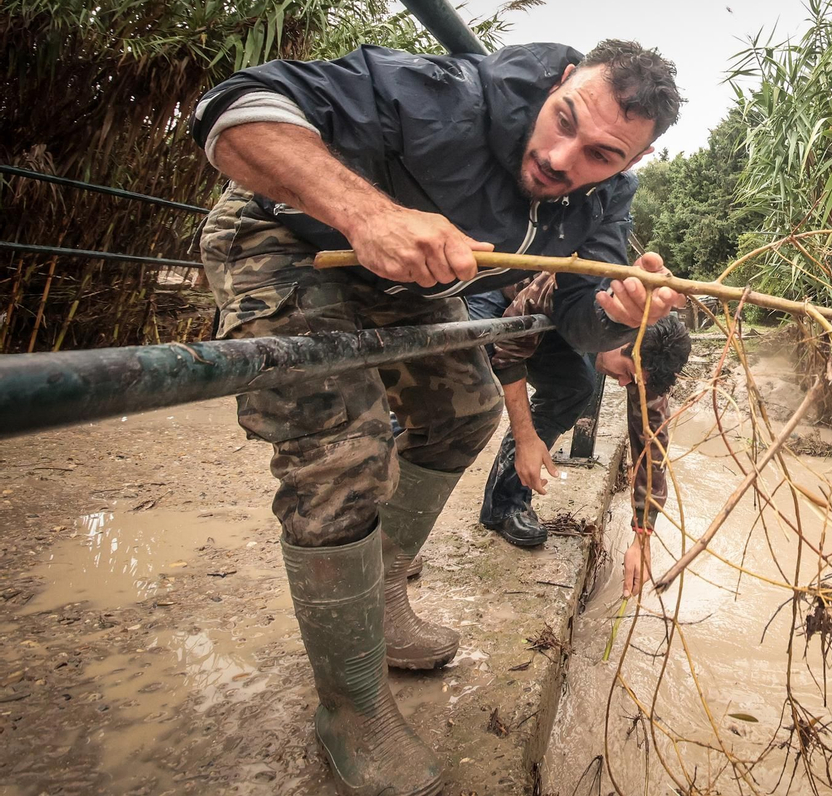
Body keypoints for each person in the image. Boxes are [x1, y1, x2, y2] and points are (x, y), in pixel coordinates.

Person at [193, 39, 685, 796]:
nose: (561, 159)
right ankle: (351, 705)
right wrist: (367, 213)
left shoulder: (605, 199)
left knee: (466, 408)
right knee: (344, 451)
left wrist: (620, 312)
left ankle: (383, 597)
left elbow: (583, 322)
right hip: (288, 239)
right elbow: (232, 111)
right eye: (563, 119)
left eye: (601, 155)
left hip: (409, 282)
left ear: (628, 161)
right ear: (560, 81)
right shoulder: (438, 95)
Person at [466, 276, 691, 597]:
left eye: (635, 382)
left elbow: (651, 443)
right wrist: (526, 438)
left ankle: (505, 506)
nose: (622, 383)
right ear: (621, 337)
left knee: (574, 388)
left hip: (563, 321)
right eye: (627, 371)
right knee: (469, 395)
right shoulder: (588, 289)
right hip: (503, 290)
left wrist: (642, 538)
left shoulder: (649, 359)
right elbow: (509, 350)